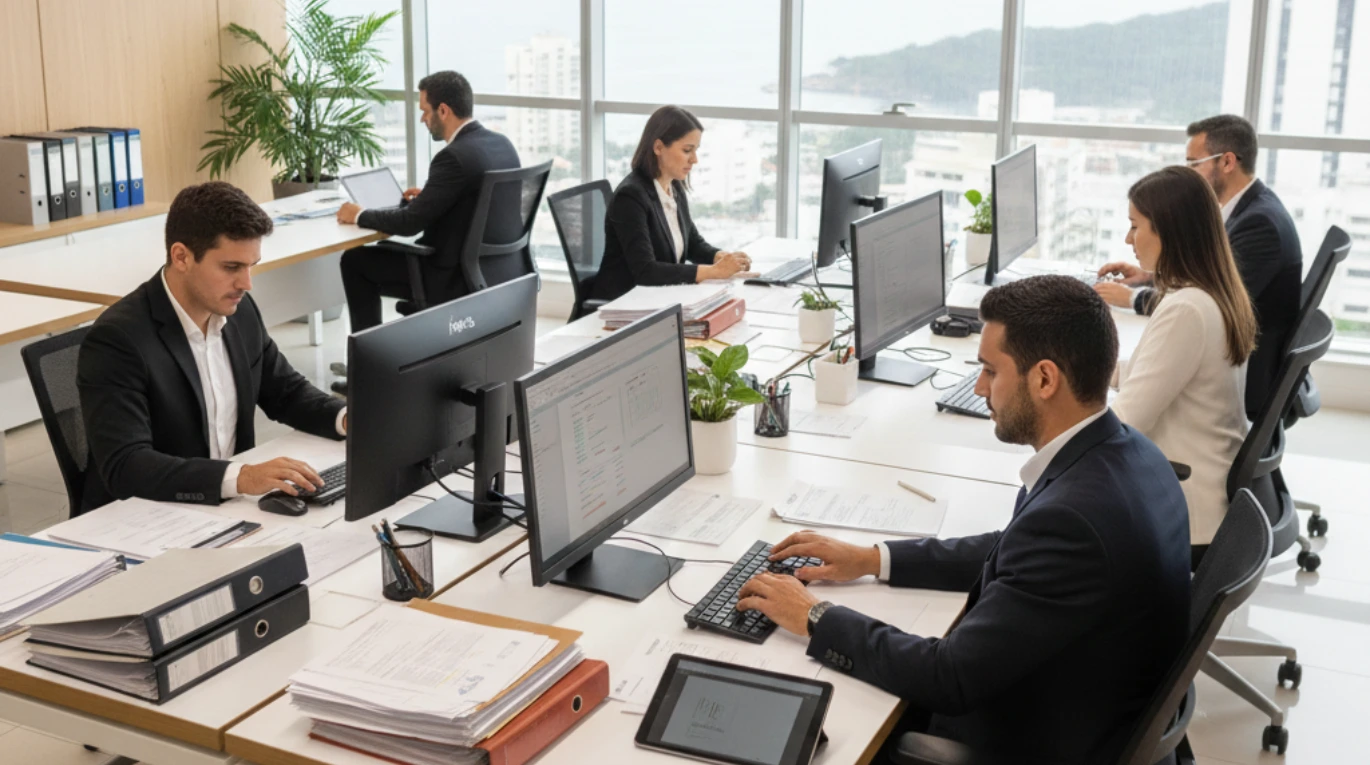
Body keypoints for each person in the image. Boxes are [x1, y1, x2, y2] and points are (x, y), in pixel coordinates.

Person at [736, 276, 1191, 765]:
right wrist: (872, 558)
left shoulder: (1072, 521)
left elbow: (947, 677)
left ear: (1044, 379)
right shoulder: (1129, 453)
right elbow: (1012, 548)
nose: (979, 388)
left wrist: (815, 616)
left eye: (990, 371)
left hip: (1037, 742)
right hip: (1090, 706)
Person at [78, 182, 346, 513]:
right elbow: (126, 465)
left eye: (251, 266)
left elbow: (286, 392)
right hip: (145, 514)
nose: (246, 284)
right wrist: (241, 477)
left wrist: (346, 418)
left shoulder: (238, 312)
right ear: (181, 257)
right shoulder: (118, 339)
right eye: (231, 267)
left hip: (225, 506)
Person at [1097, 114, 1301, 415]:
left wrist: (1132, 298)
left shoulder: (1261, 224)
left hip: (1252, 382)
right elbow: (1209, 266)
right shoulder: (1247, 211)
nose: (1128, 239)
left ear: (1227, 161)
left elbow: (1128, 417)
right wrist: (1149, 275)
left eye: (1194, 164)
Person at [1110, 166, 1257, 564]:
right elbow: (1159, 373)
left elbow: (1125, 424)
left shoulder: (1186, 309)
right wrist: (1084, 370)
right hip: (1205, 494)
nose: (1128, 239)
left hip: (1186, 509)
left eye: (1135, 226)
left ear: (1169, 231)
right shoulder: (1210, 292)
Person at [335, 70, 520, 333]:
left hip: (451, 277)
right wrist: (432, 196)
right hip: (497, 270)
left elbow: (409, 224)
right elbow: (478, 201)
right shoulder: (502, 145)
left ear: (443, 110)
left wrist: (358, 214)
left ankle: (366, 355)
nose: (422, 118)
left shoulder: (453, 157)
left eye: (425, 111)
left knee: (355, 261)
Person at [591, 105, 752, 302]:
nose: (695, 160)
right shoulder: (630, 197)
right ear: (658, 147)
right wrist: (713, 272)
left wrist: (720, 257)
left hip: (661, 297)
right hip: (624, 303)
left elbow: (692, 244)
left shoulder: (674, 186)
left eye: (696, 150)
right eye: (687, 150)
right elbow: (646, 271)